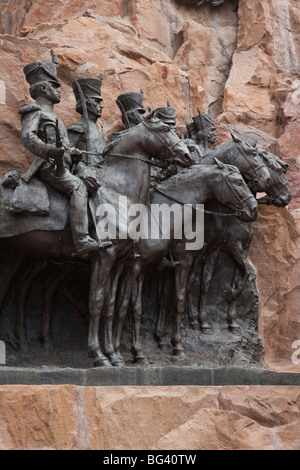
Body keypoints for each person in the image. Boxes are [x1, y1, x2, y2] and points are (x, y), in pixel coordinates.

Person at [19, 52, 104, 257]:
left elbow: (64, 144)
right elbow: (28, 137)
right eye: (54, 86)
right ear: (42, 88)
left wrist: (71, 151)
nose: (59, 91)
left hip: (61, 165)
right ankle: (82, 241)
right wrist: (49, 150)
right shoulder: (35, 111)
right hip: (48, 167)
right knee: (78, 187)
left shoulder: (54, 116)